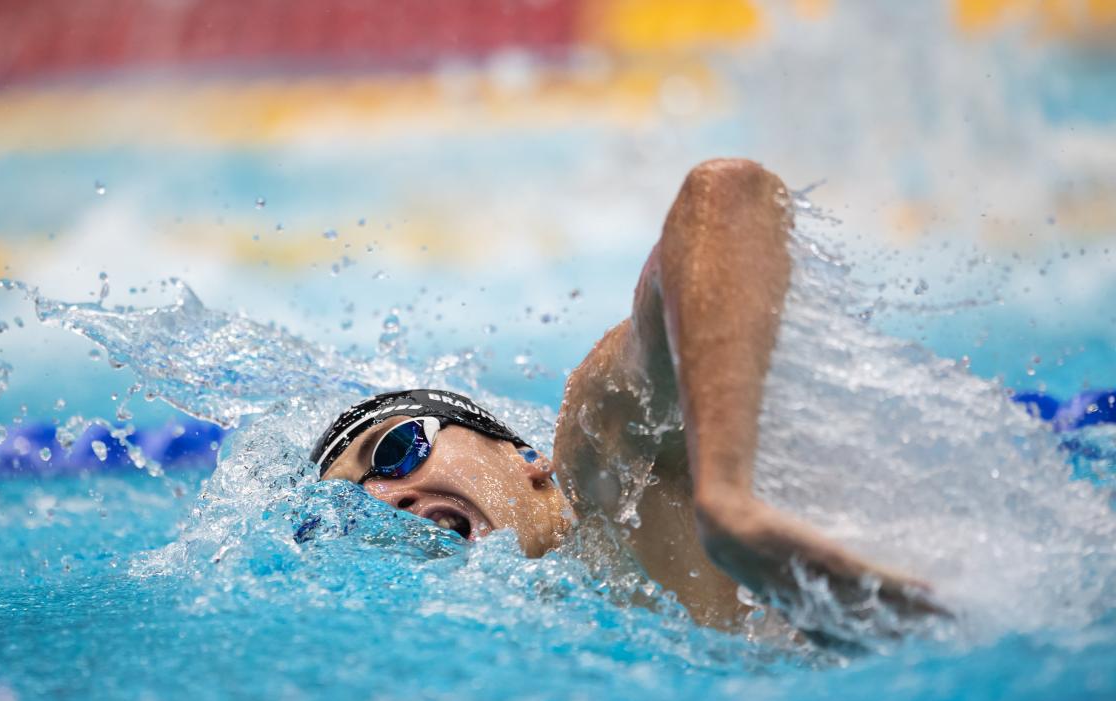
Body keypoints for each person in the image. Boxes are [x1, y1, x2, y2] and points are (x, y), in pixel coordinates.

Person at [313, 159, 938, 633]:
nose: (384, 498)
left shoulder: (604, 463)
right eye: (354, 502)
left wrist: (727, 502)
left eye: (396, 447)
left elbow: (726, 194)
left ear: (525, 458)